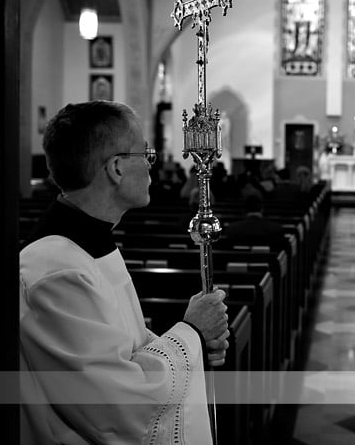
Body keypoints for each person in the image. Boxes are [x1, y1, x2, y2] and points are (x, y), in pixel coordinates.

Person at [20, 101, 229, 444]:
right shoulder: (56, 270)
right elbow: (119, 406)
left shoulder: (87, 247)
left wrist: (197, 344)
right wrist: (192, 332)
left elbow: (126, 350)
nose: (151, 165)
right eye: (145, 153)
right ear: (116, 168)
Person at [220, 194, 287, 250]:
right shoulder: (276, 229)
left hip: (239, 261)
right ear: (262, 209)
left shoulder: (232, 229)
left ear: (244, 210)